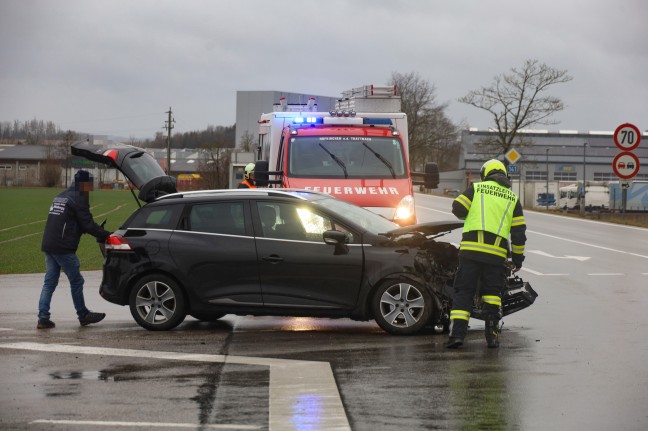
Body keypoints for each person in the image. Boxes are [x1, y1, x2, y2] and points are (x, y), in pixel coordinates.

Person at [446, 159, 526, 348]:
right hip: (496, 255)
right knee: (492, 294)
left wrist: (471, 214)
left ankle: (457, 336)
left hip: (471, 252)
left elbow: (457, 208)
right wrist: (517, 259)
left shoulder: (477, 188)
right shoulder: (512, 198)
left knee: (464, 292)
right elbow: (518, 233)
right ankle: (491, 336)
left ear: (485, 174)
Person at [37, 170, 111, 329]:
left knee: (49, 282)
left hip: (49, 244)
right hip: (63, 247)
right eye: (90, 185)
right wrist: (106, 235)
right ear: (84, 184)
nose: (91, 188)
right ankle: (83, 314)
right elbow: (87, 224)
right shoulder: (78, 198)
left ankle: (43, 318)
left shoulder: (61, 195)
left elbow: (71, 221)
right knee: (77, 281)